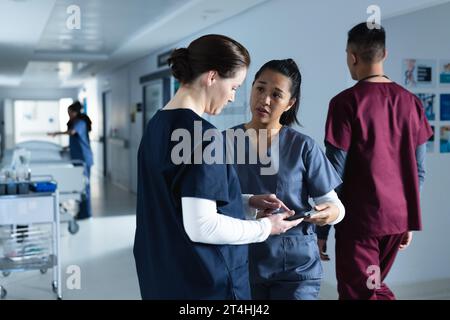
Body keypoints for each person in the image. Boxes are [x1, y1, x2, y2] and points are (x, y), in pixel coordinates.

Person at [133, 35, 302, 300]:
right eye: (234, 86)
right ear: (212, 77)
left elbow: (178, 200)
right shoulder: (203, 135)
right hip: (204, 283)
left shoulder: (157, 126)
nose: (234, 97)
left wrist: (244, 203)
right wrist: (267, 228)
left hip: (162, 275)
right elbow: (203, 226)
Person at [321, 22, 432, 300]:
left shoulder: (345, 103)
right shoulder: (411, 103)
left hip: (360, 223)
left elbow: (334, 172)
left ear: (352, 56)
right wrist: (407, 219)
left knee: (362, 292)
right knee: (371, 287)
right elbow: (419, 170)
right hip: (395, 221)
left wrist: (321, 226)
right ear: (385, 54)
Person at [225, 59, 345, 300]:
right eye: (260, 88)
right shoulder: (223, 143)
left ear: (290, 103)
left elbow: (336, 207)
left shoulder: (303, 147)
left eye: (276, 95)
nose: (264, 100)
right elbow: (212, 204)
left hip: (295, 267)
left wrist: (326, 214)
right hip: (240, 262)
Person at [48, 101, 93, 219]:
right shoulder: (76, 123)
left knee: (85, 186)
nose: (69, 115)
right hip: (79, 158)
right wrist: (66, 148)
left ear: (76, 112)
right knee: (81, 185)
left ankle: (86, 213)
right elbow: (77, 141)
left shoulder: (80, 123)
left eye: (70, 113)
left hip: (84, 159)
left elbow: (72, 133)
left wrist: (56, 133)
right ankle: (83, 212)